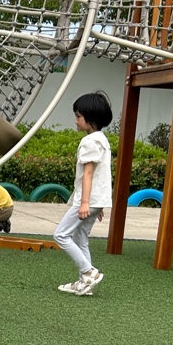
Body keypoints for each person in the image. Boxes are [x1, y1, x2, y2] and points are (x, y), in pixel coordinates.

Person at [53, 92, 114, 295]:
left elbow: (88, 173)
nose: (75, 120)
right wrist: (98, 204)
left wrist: (86, 202)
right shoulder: (102, 140)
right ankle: (84, 283)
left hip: (87, 200)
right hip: (96, 199)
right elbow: (100, 174)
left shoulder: (90, 142)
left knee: (61, 235)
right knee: (80, 237)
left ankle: (88, 272)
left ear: (90, 119)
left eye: (78, 116)